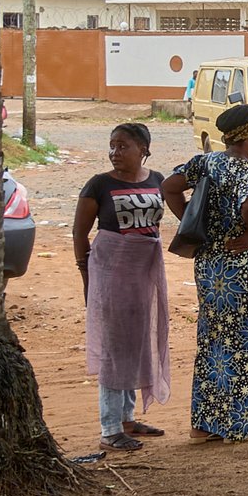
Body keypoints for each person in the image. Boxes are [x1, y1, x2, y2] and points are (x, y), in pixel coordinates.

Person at [163, 104, 248, 442]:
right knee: (245, 342)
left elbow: (170, 187)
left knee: (213, 342)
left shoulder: (205, 162)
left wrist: (193, 223)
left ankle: (203, 426)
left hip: (210, 267)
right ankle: (240, 426)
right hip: (243, 270)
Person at [73, 123, 171, 452]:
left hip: (144, 273)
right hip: (111, 270)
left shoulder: (157, 180)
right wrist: (87, 276)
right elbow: (79, 233)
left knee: (138, 342)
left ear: (143, 149)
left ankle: (128, 418)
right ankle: (110, 428)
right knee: (115, 349)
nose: (115, 153)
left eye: (123, 146)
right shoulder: (99, 185)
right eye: (112, 146)